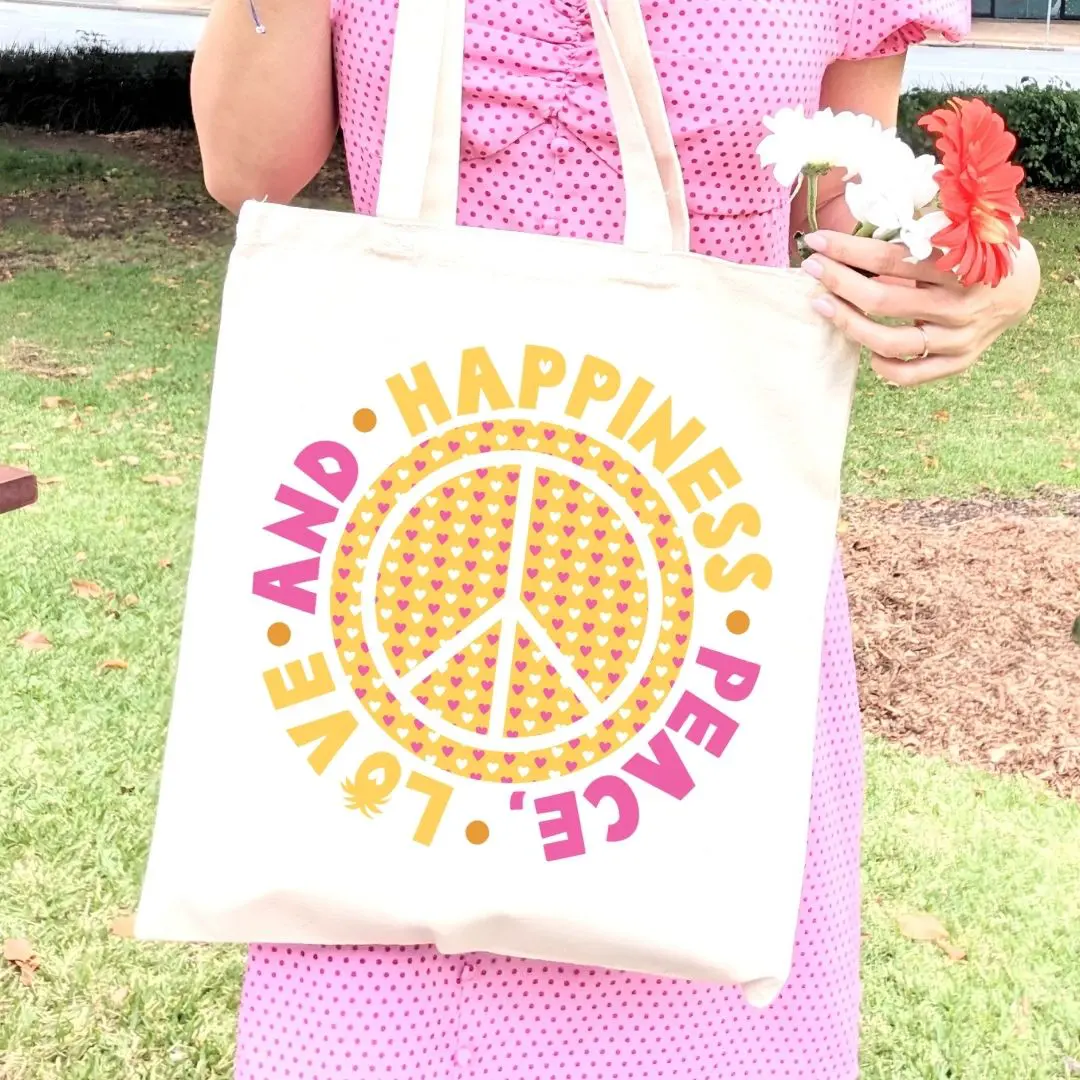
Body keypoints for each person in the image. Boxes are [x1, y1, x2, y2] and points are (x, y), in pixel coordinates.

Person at [191, 2, 1040, 1077]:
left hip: (694, 602)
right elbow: (246, 164)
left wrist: (993, 270)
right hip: (400, 602)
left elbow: (842, 195)